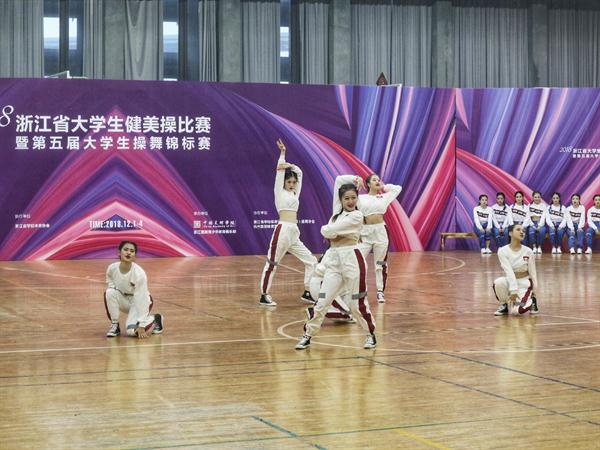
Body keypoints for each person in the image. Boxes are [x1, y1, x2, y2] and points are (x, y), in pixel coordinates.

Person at [295, 176, 377, 350]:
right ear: (341, 200)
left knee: (356, 304)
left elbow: (328, 231)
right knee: (322, 302)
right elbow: (339, 180)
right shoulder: (337, 213)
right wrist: (355, 178)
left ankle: (370, 334)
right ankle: (307, 335)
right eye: (346, 198)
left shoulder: (356, 216)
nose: (350, 201)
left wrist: (328, 231)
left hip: (352, 259)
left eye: (354, 198)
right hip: (334, 261)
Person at [258, 139, 317, 306]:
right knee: (272, 262)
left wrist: (292, 166)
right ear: (284, 182)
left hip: (294, 232)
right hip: (282, 230)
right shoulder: (279, 192)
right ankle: (264, 295)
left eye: (293, 182)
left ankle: (308, 292)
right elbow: (279, 173)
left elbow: (300, 173)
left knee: (311, 261)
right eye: (289, 182)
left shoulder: (294, 194)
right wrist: (283, 155)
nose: (292, 184)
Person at [357, 173, 402, 303]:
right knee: (357, 261)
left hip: (381, 232)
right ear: (368, 184)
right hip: (365, 233)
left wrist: (384, 187)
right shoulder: (361, 198)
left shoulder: (384, 197)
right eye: (374, 180)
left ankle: (380, 291)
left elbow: (398, 188)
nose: (377, 181)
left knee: (380, 264)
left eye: (378, 179)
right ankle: (359, 291)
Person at [104, 241, 164, 338]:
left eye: (132, 251)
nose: (128, 252)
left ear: (135, 255)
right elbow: (110, 282)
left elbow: (142, 298)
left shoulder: (139, 274)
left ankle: (155, 318)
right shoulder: (112, 268)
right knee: (110, 292)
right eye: (126, 250)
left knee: (131, 331)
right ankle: (115, 325)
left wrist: (142, 325)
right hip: (124, 299)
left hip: (139, 302)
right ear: (119, 252)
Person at [493, 224, 538, 316]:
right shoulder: (502, 251)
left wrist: (535, 291)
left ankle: (532, 300)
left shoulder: (528, 251)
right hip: (510, 281)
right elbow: (508, 271)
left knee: (518, 310)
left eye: (523, 231)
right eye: (518, 230)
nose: (522, 232)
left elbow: (533, 272)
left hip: (524, 282)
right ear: (510, 233)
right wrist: (513, 290)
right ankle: (504, 304)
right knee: (499, 282)